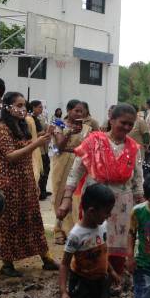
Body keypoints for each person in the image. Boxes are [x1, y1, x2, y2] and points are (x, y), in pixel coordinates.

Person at [58, 103, 144, 287]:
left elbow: (138, 179)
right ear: (111, 120)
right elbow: (76, 172)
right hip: (95, 202)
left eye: (130, 124)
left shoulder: (134, 148)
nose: (127, 127)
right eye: (123, 123)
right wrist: (66, 199)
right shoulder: (93, 141)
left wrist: (142, 204)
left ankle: (114, 281)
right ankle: (88, 278)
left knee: (119, 243)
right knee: (91, 240)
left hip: (122, 205)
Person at [0, 91, 57, 277]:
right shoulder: (1, 128)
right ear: (7, 107)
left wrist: (46, 135)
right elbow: (10, 156)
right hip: (7, 184)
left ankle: (47, 259)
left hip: (25, 183)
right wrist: (36, 144)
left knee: (34, 221)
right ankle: (7, 264)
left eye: (24, 105)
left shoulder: (22, 125)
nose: (23, 109)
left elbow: (27, 151)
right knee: (8, 224)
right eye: (18, 105)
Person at [58, 184, 119, 298]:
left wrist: (111, 271)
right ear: (91, 211)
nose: (109, 216)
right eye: (107, 212)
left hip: (101, 279)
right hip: (81, 283)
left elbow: (103, 253)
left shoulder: (103, 226)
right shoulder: (76, 235)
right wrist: (63, 292)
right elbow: (64, 264)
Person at [50, 99, 92, 244]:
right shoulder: (59, 125)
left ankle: (72, 231)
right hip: (62, 161)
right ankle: (58, 229)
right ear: (68, 111)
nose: (79, 114)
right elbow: (59, 147)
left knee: (74, 197)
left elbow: (89, 146)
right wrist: (69, 133)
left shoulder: (87, 128)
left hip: (79, 163)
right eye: (76, 111)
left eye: (81, 111)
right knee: (59, 195)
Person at [29, 100, 51, 201]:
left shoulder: (39, 118)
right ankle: (40, 192)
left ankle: (43, 190)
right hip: (38, 149)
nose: (41, 109)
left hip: (43, 148)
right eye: (39, 107)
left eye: (42, 107)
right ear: (33, 108)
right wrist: (46, 132)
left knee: (46, 169)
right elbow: (33, 134)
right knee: (41, 171)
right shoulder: (30, 119)